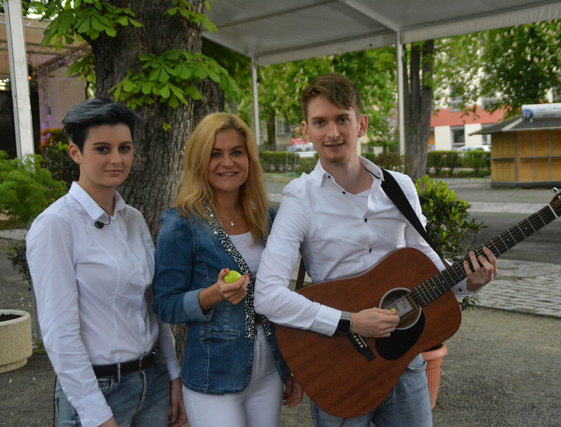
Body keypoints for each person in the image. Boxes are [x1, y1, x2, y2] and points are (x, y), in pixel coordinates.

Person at [254, 73, 498, 426]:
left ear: (362, 124)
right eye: (320, 122)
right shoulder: (300, 197)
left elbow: (426, 264)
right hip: (339, 364)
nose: (333, 133)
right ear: (306, 130)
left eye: (342, 119)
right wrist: (351, 321)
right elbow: (268, 295)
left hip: (403, 358)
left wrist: (468, 282)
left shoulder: (399, 187)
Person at [26, 98, 186, 427]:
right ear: (75, 153)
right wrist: (97, 414)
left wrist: (173, 375)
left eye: (124, 148)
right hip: (97, 392)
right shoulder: (56, 225)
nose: (116, 159)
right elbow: (59, 334)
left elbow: (152, 306)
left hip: (151, 383)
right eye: (102, 149)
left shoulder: (134, 219)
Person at [152, 112, 302, 427]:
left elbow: (280, 299)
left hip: (269, 371)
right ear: (199, 161)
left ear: (249, 158)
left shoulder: (268, 217)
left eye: (236, 152)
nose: (227, 163)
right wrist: (212, 295)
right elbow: (164, 304)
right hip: (212, 375)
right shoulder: (181, 223)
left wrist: (290, 366)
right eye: (215, 154)